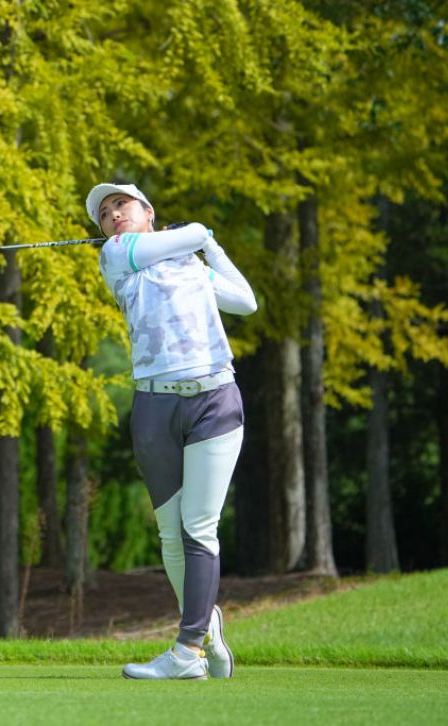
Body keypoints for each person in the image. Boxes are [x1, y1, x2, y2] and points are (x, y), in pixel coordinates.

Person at [86, 182, 257, 680]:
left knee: (199, 526)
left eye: (122, 204)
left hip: (214, 400)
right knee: (170, 532)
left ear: (148, 211)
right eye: (104, 212)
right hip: (155, 407)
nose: (112, 215)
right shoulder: (117, 257)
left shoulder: (193, 266)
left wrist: (209, 249)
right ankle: (204, 625)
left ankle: (187, 652)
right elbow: (196, 231)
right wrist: (199, 233)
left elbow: (245, 302)